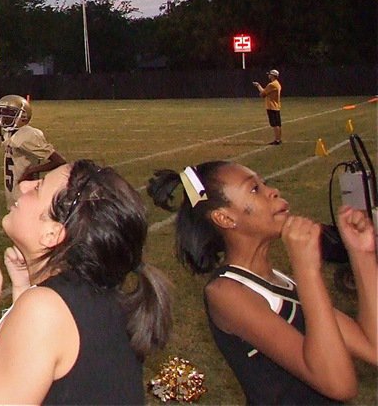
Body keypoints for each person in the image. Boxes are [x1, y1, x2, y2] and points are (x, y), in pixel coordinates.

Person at [148, 162, 377, 403]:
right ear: (225, 218)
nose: (272, 191)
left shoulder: (280, 282)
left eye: (264, 182)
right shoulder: (227, 293)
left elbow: (373, 347)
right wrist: (307, 270)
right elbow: (338, 385)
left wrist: (362, 254)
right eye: (254, 189)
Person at [0, 160, 172, 404]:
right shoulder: (98, 293)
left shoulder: (46, 310)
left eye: (38, 189)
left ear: (52, 234)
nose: (25, 185)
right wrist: (24, 289)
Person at [0, 94, 65, 206]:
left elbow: (59, 161)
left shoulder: (28, 134)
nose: (3, 116)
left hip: (26, 192)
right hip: (14, 190)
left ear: (22, 115)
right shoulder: (10, 133)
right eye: (2, 112)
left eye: (9, 113)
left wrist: (31, 170)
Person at [252, 69, 283, 145]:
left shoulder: (271, 84)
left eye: (270, 74)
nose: (268, 75)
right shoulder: (277, 84)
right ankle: (278, 139)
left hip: (271, 106)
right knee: (278, 124)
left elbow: (262, 94)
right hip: (276, 106)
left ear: (273, 76)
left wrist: (258, 86)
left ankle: (277, 140)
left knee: (274, 124)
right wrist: (259, 86)